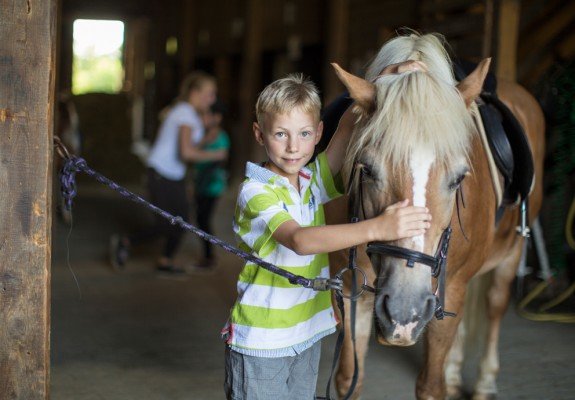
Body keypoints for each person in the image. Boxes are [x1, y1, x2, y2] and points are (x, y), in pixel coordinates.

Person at [222, 67, 430, 399]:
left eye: (304, 134)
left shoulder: (310, 180)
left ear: (319, 132)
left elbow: (349, 124)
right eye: (280, 134)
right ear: (259, 135)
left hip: (306, 334)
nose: (293, 147)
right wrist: (379, 227)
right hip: (262, 343)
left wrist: (388, 75)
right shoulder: (256, 192)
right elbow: (300, 241)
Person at [110, 71, 226, 275]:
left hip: (174, 175)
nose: (212, 99)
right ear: (195, 92)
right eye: (210, 93)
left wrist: (206, 141)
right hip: (161, 173)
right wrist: (215, 154)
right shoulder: (185, 113)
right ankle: (125, 242)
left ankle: (165, 260)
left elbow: (188, 146)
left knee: (182, 221)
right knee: (168, 223)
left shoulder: (189, 113)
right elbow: (186, 152)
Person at [189, 100, 231, 271]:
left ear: (217, 118)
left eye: (207, 115)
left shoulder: (221, 137)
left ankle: (209, 258)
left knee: (203, 219)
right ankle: (208, 256)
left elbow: (220, 160)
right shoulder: (203, 135)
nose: (204, 118)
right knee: (201, 219)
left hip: (212, 186)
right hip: (200, 184)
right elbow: (191, 153)